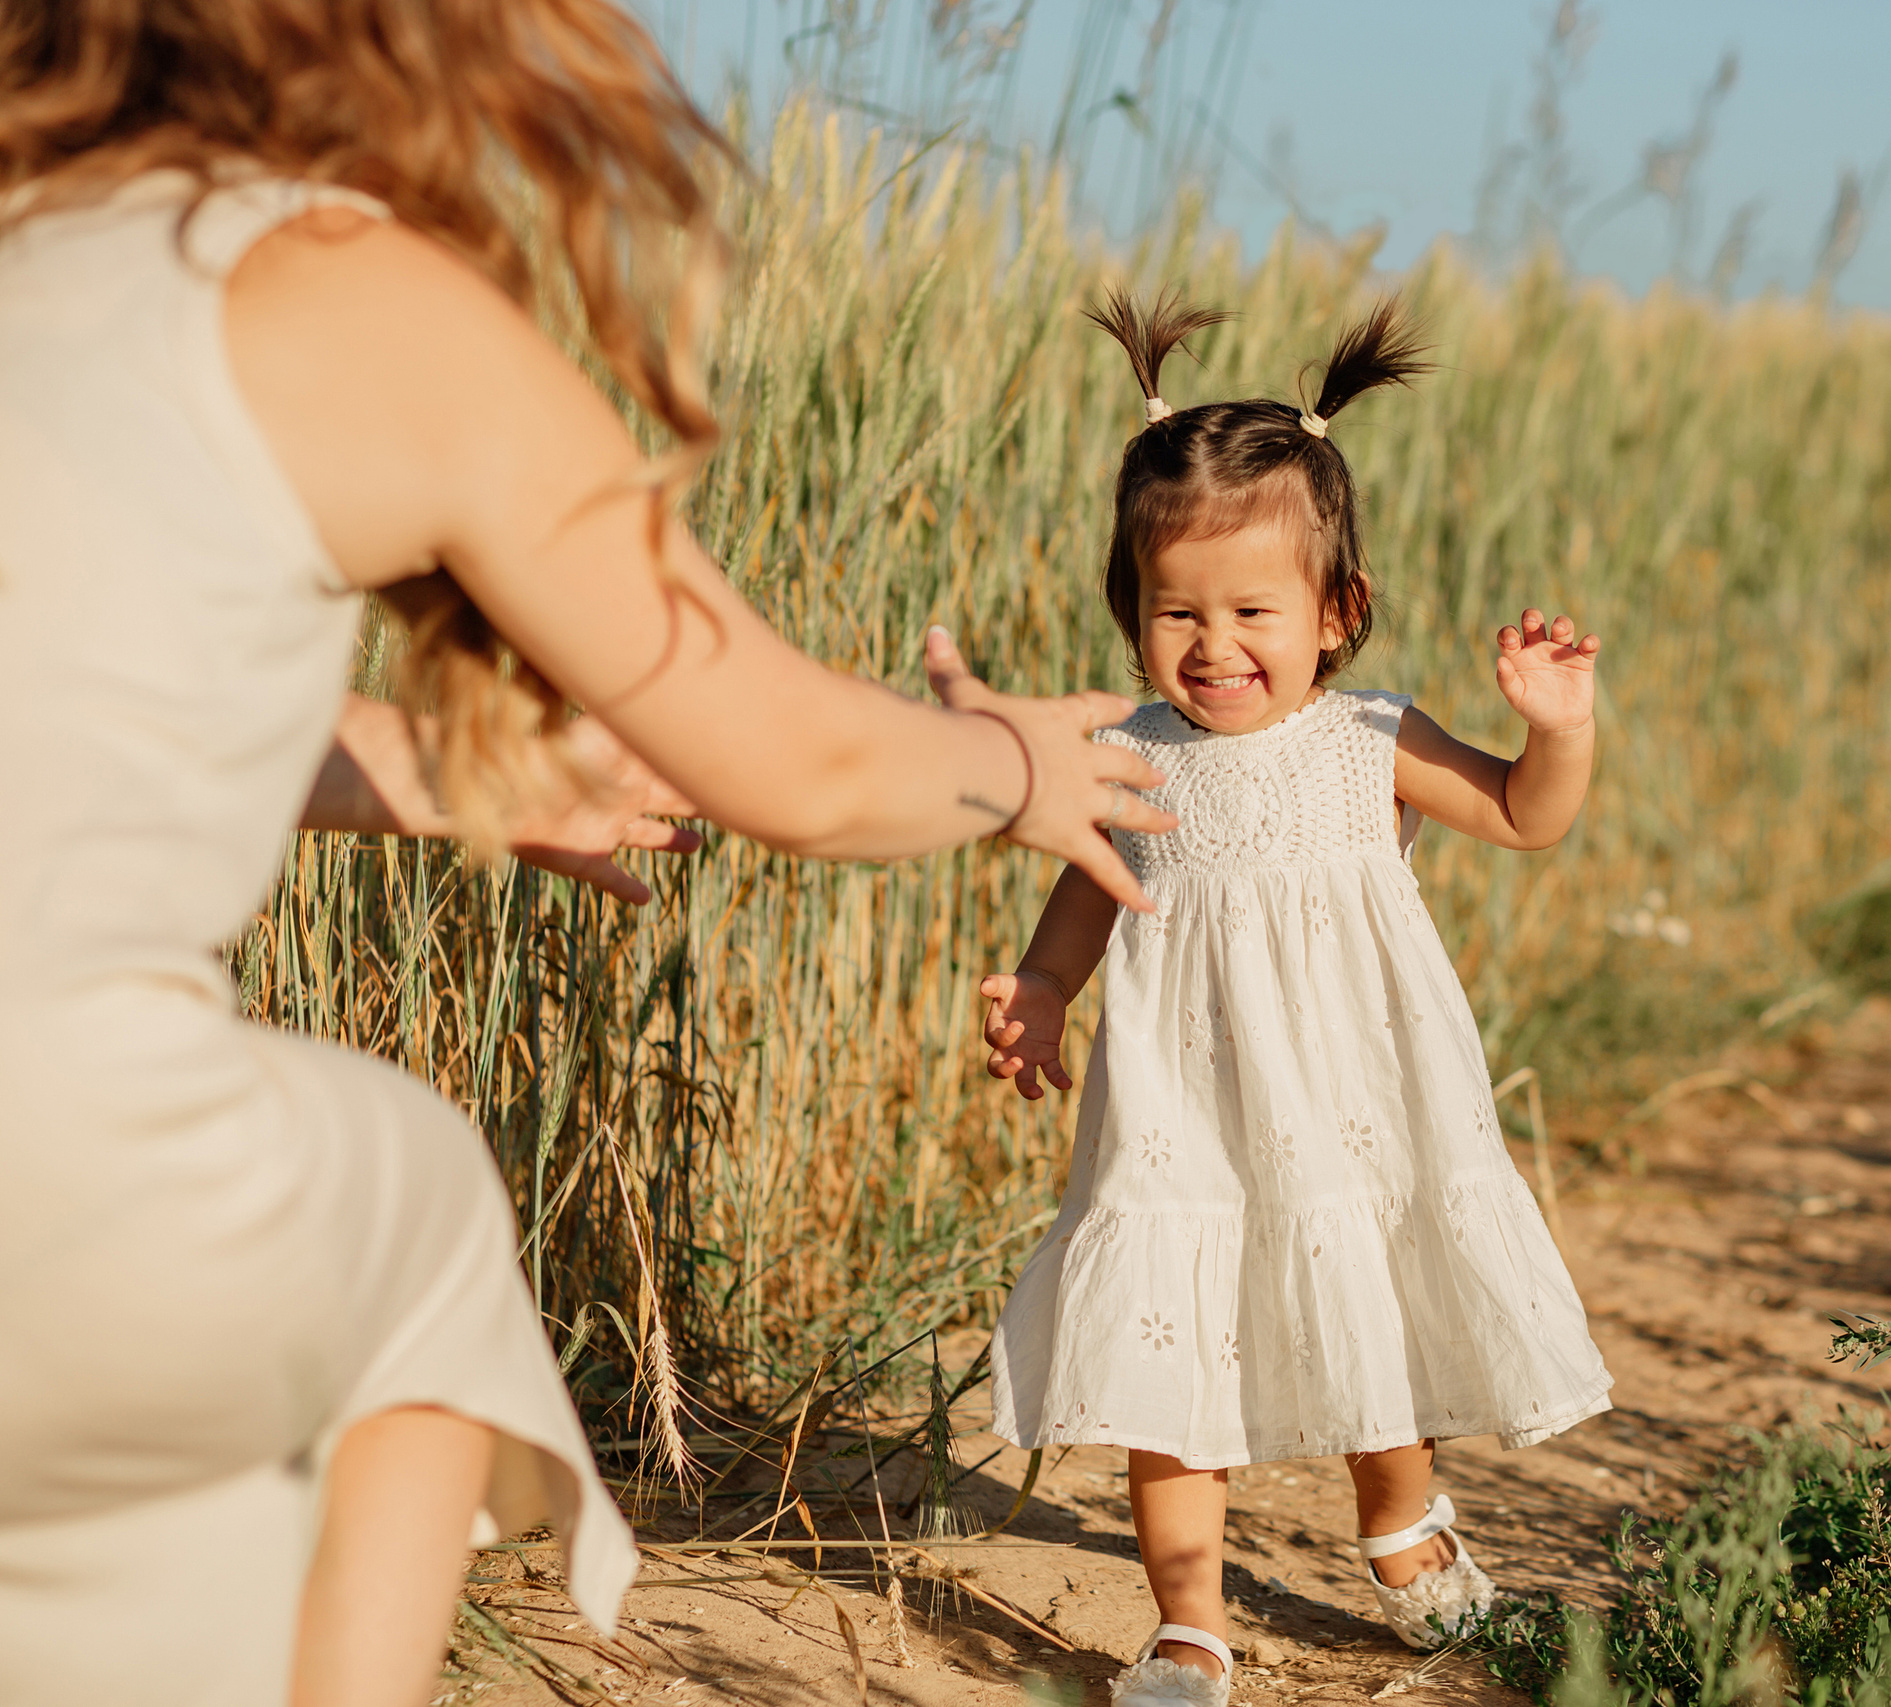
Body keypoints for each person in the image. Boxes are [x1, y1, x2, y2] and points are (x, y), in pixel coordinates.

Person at [0, 4, 1175, 1704]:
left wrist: (444, 768)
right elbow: (810, 763)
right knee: (408, 1196)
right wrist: (1018, 759)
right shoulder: (347, 295)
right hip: (58, 1178)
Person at [978, 294, 1615, 1705]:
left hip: (1351, 1108)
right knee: (1169, 1355)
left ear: (1339, 616)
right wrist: (1040, 984)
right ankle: (1190, 1625)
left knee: (1367, 1310)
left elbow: (1521, 816)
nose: (1212, 645)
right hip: (1184, 1116)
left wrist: (1554, 732)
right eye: (1174, 612)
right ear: (1131, 612)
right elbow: (1090, 893)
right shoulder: (1132, 753)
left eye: (1253, 611)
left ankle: (1399, 1523)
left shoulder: (1368, 741)